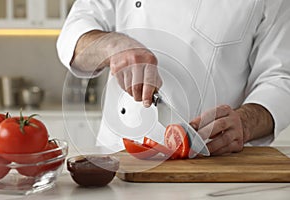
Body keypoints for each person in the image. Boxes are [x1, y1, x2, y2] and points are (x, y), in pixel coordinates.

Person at [57, 0, 290, 156]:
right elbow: (73, 36)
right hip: (120, 160)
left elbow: (280, 77)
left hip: (214, 161)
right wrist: (112, 46)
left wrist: (245, 123)